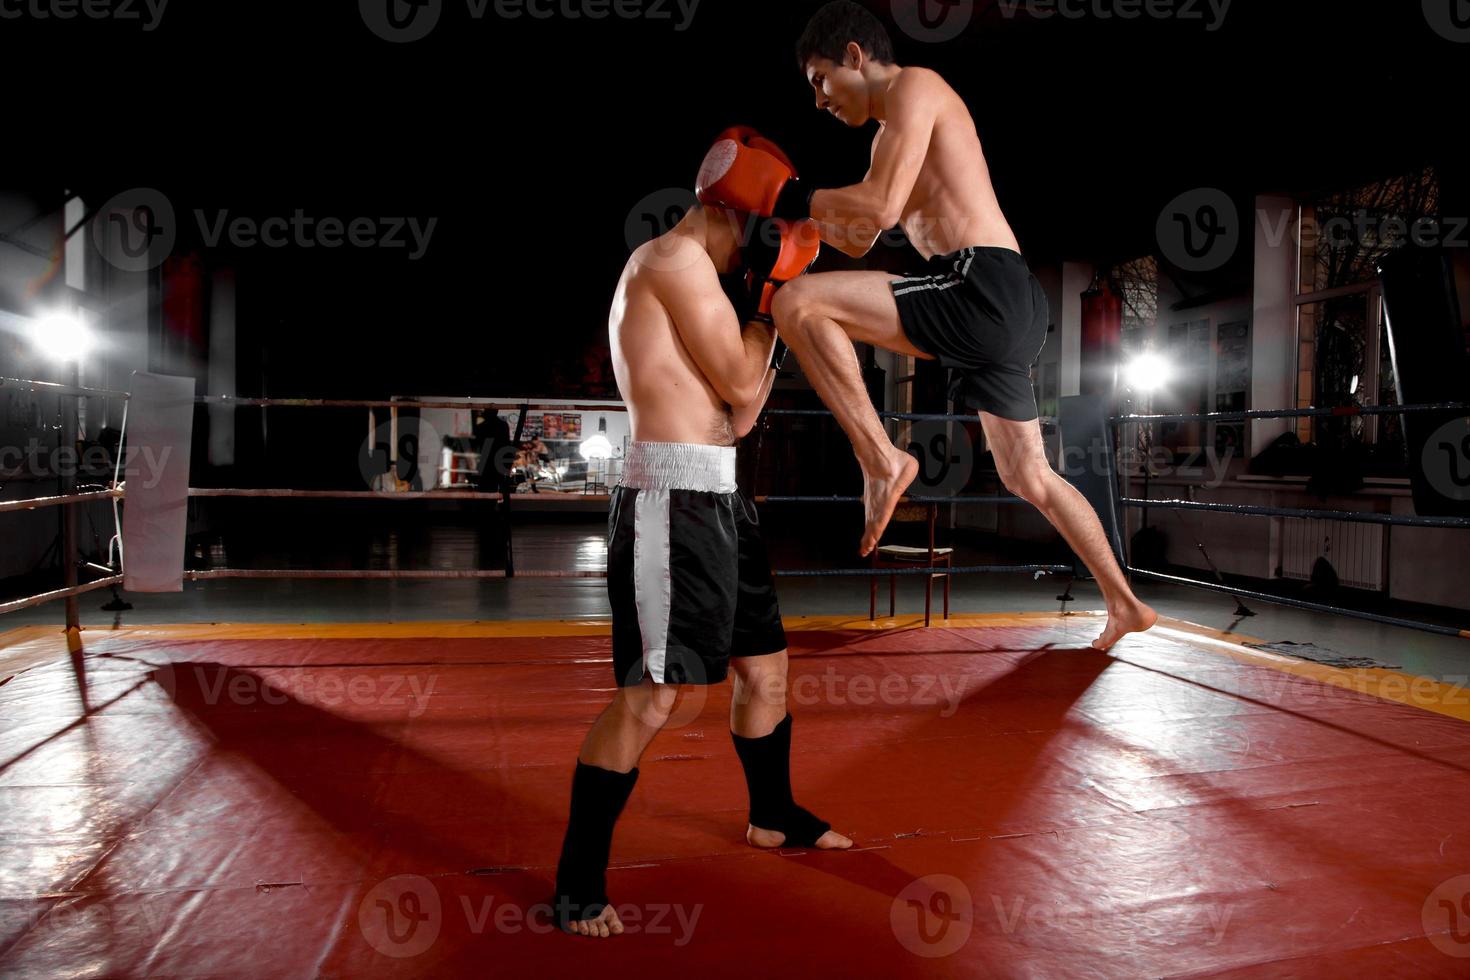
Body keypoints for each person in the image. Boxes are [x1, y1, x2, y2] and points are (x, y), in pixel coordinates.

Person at [693, 1, 1157, 651]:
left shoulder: (918, 86)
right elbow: (861, 236)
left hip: (982, 284)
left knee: (797, 305)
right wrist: (790, 224)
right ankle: (1126, 601)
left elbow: (875, 206)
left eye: (820, 81)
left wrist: (793, 199)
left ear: (854, 55)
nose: (819, 101)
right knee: (1030, 476)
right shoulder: (890, 143)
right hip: (1005, 309)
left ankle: (882, 460)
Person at [552, 186, 851, 940]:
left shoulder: (703, 283)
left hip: (720, 498)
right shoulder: (674, 256)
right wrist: (772, 298)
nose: (748, 256)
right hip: (671, 503)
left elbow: (742, 414)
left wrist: (768, 312)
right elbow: (742, 384)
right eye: (762, 235)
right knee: (658, 696)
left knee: (767, 670)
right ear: (737, 215)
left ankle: (772, 815)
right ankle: (577, 884)